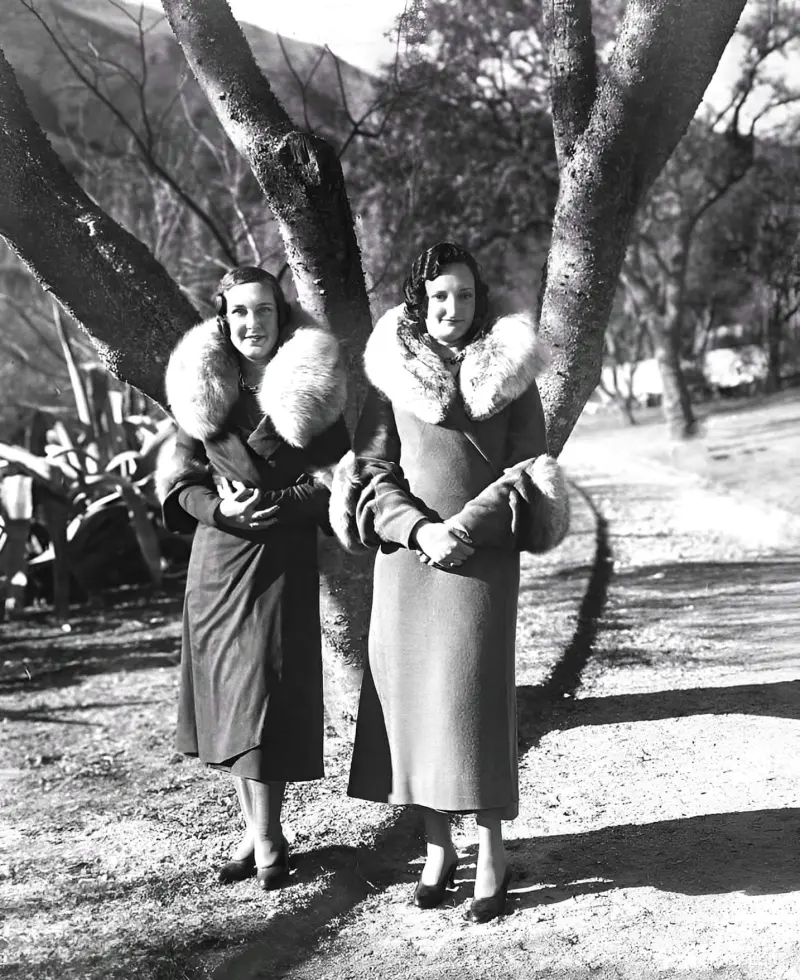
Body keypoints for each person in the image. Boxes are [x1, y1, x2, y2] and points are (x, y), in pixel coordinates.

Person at [330, 242, 569, 922]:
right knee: (415, 708)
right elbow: (374, 475)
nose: (452, 309)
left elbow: (528, 470)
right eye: (439, 296)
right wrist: (419, 530)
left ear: (479, 300)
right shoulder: (391, 380)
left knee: (473, 705)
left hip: (480, 562)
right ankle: (437, 847)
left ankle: (489, 851)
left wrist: (464, 528)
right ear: (418, 300)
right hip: (409, 566)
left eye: (463, 296)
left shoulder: (513, 376)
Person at [156, 266, 349, 889]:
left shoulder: (314, 384)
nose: (251, 324)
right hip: (217, 566)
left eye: (262, 310)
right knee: (232, 703)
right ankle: (259, 834)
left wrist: (280, 502)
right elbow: (179, 484)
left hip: (279, 563)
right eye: (238, 312)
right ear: (223, 318)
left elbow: (337, 482)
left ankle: (266, 838)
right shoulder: (201, 388)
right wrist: (221, 510)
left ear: (280, 313)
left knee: (263, 696)